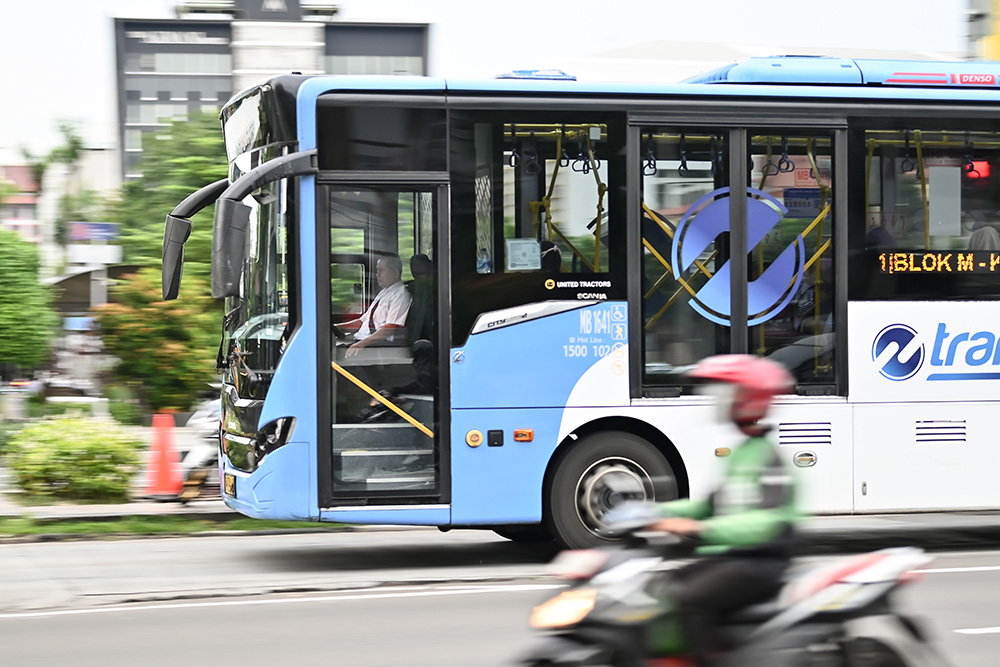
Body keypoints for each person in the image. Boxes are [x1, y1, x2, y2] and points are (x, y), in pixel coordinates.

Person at [647, 355, 798, 667]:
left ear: (749, 400)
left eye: (727, 393)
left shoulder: (770, 459)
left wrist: (700, 530)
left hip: (761, 562)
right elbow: (708, 505)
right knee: (662, 586)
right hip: (734, 557)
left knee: (690, 600)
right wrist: (653, 512)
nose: (719, 401)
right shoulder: (741, 454)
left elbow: (766, 521)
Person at [336, 254, 412, 357]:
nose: (377, 274)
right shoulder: (384, 293)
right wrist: (337, 327)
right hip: (362, 341)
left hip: (377, 346)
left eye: (381, 271)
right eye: (377, 271)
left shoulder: (401, 295)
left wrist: (361, 344)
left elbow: (390, 327)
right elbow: (362, 321)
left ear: (395, 273)